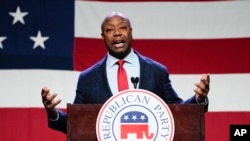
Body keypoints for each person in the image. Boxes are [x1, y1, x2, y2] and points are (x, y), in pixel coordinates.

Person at [41, 12, 210, 134]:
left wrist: (199, 99)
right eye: (110, 29)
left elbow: (178, 113)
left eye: (122, 27)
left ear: (130, 32)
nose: (117, 33)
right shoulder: (88, 78)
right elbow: (75, 124)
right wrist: (53, 112)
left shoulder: (156, 71)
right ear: (103, 36)